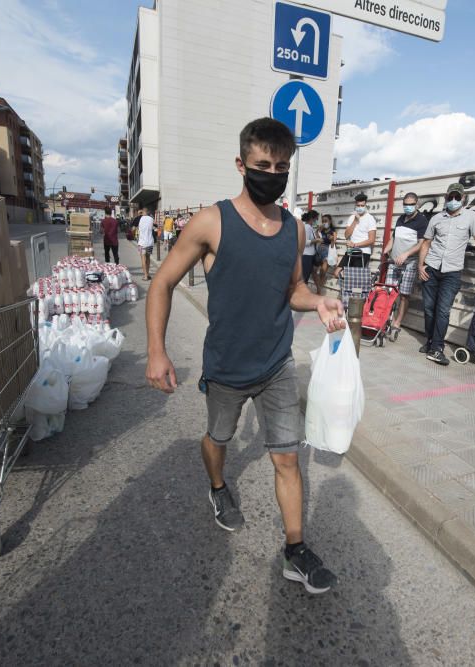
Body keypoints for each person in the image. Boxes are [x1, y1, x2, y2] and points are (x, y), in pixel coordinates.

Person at [145, 117, 345, 594]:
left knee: (287, 460)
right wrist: (156, 350)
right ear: (241, 164)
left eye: (280, 167)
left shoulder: (294, 229)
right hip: (227, 369)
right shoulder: (211, 221)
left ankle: (295, 551)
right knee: (219, 437)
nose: (271, 174)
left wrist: (318, 301)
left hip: (276, 365)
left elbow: (293, 287)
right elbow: (163, 282)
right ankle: (218, 487)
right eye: (262, 165)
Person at [418, 182, 475, 365]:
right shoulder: (437, 218)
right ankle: (430, 341)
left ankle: (437, 348)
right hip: (431, 268)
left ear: (463, 198)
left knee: (443, 310)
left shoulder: (472, 217)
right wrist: (420, 266)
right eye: (450, 197)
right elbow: (426, 243)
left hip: (452, 272)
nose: (453, 200)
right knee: (429, 309)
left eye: (457, 197)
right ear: (446, 197)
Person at [382, 192, 428, 342]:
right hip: (395, 262)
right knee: (388, 291)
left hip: (410, 263)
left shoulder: (422, 221)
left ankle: (397, 322)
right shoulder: (401, 218)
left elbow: (421, 243)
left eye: (411, 204)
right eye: (405, 204)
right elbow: (394, 238)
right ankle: (385, 319)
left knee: (404, 295)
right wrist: (386, 249)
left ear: (417, 204)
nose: (408, 207)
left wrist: (406, 254)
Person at [333, 193, 377, 306]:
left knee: (355, 280)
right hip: (351, 252)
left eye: (362, 205)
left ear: (366, 205)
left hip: (362, 253)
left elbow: (372, 240)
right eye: (358, 205)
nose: (360, 207)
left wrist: (356, 245)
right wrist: (355, 221)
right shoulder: (352, 217)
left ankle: (353, 307)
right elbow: (346, 235)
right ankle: (346, 300)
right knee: (337, 272)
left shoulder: (370, 219)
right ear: (355, 205)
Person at [314, 213, 336, 295]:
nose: (324, 223)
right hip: (319, 251)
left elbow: (333, 245)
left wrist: (332, 239)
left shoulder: (332, 231)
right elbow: (316, 238)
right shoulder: (321, 230)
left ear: (330, 221)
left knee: (323, 272)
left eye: (326, 221)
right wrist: (318, 230)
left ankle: (319, 291)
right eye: (323, 221)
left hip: (327, 252)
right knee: (314, 271)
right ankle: (318, 288)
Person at [300, 210, 321, 290]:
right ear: (312, 218)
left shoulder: (310, 227)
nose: (316, 221)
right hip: (307, 255)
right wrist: (317, 240)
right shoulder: (307, 227)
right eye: (316, 219)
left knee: (309, 274)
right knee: (305, 276)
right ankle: (302, 294)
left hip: (310, 255)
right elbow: (305, 242)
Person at [137, 207, 155, 280]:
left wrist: (139, 213)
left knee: (143, 259)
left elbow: (135, 226)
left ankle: (145, 276)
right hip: (150, 242)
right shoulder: (151, 219)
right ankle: (148, 274)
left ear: (142, 212)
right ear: (148, 212)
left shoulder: (139, 218)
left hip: (141, 243)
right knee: (148, 258)